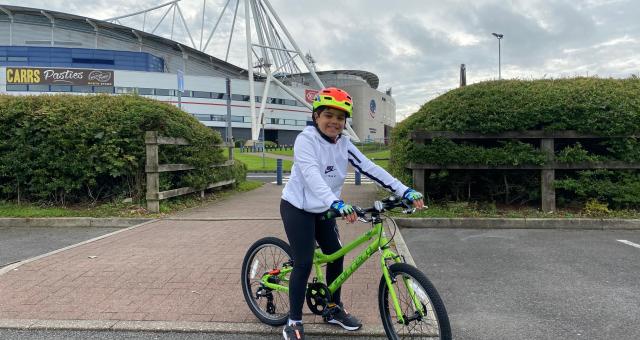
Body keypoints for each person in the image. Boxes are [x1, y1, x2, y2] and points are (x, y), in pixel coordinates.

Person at [280, 87, 425, 340]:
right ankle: (293, 321)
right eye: (328, 115)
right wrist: (336, 203)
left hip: (325, 208)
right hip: (298, 208)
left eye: (340, 117)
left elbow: (370, 168)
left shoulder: (344, 144)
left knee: (335, 255)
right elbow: (311, 175)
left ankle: (333, 309)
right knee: (303, 262)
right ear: (316, 116)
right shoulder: (306, 140)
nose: (334, 122)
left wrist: (405, 190)